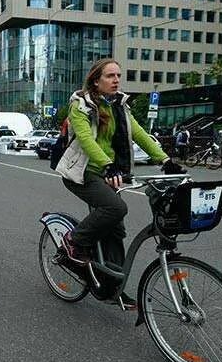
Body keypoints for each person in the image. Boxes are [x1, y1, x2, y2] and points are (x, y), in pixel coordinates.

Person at [55, 58, 183, 309]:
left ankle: (113, 287)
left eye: (118, 76)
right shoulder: (81, 105)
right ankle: (74, 240)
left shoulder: (120, 106)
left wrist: (165, 160)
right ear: (96, 80)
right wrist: (107, 164)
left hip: (108, 173)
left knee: (115, 228)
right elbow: (86, 140)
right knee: (115, 209)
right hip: (84, 173)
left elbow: (140, 135)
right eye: (110, 76)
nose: (116, 80)